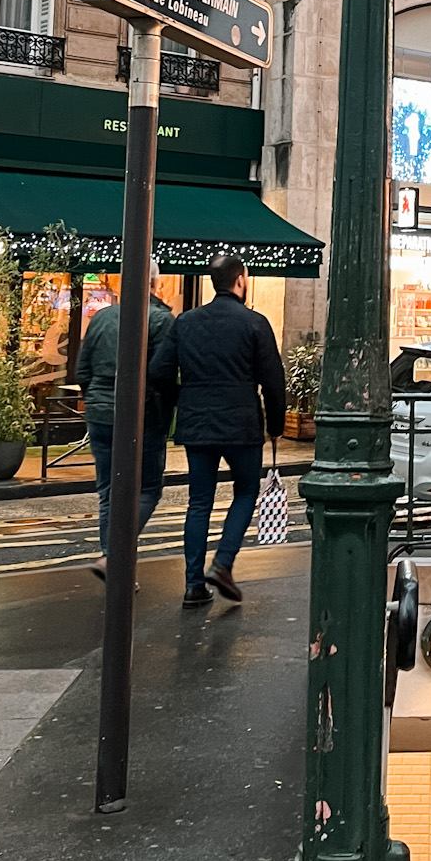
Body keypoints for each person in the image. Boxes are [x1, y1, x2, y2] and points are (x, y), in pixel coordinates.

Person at [148, 251, 286, 607]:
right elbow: (273, 380)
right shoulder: (255, 323)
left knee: (199, 502)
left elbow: (158, 371)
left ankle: (194, 584)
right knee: (245, 492)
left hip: (197, 423)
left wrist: (182, 399)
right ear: (240, 280)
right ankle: (223, 563)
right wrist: (276, 425)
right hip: (241, 423)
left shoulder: (186, 322)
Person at [75, 263, 174, 584]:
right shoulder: (161, 319)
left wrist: (96, 400)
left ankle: (112, 559)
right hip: (142, 416)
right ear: (155, 284)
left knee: (108, 491)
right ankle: (113, 558)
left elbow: (82, 370)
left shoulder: (102, 317)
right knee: (147, 490)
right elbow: (162, 375)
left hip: (100, 414)